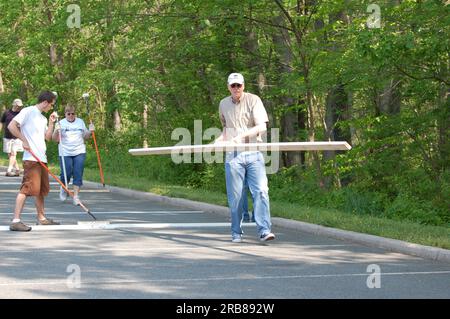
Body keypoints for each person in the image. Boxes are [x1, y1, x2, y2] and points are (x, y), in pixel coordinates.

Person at [215, 73, 275, 243]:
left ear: (243, 86)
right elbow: (226, 129)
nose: (236, 89)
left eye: (238, 85)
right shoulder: (223, 104)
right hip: (233, 156)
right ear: (228, 87)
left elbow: (261, 126)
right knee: (235, 196)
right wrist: (218, 141)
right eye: (233, 86)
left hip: (254, 152)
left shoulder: (253, 100)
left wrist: (241, 137)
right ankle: (236, 232)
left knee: (261, 191)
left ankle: (264, 230)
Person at [7, 91, 59, 231]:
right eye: (51, 105)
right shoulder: (28, 111)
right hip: (31, 158)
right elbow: (11, 126)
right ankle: (16, 221)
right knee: (26, 188)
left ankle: (41, 218)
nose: (51, 108)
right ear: (45, 102)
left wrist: (51, 122)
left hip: (41, 157)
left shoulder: (42, 118)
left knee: (41, 190)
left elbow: (48, 137)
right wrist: (23, 140)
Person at [52, 105, 94, 206]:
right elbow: (55, 139)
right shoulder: (60, 123)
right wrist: (55, 131)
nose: (71, 115)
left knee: (78, 173)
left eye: (73, 113)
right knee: (66, 173)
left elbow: (86, 136)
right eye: (68, 114)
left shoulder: (80, 122)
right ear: (65, 114)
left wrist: (91, 131)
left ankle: (75, 196)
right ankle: (64, 187)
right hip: (65, 152)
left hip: (79, 151)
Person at [1, 98, 24, 176]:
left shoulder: (21, 113)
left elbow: (23, 124)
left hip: (16, 137)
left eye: (20, 106)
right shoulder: (6, 112)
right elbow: (1, 122)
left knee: (13, 153)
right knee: (10, 154)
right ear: (13, 104)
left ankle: (9, 170)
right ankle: (17, 169)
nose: (18, 107)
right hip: (7, 136)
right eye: (17, 106)